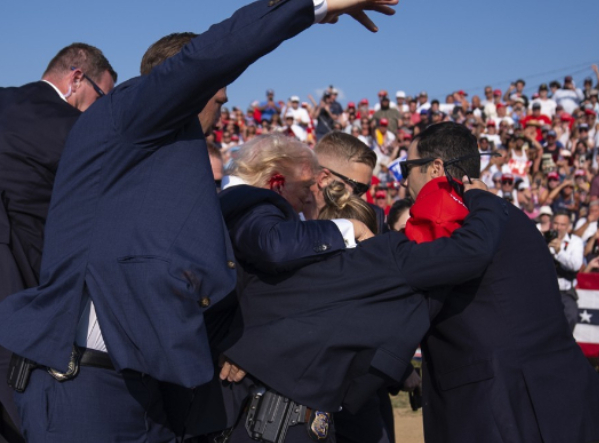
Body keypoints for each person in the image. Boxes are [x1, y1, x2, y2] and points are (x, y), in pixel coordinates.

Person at [0, 0, 400, 442]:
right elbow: (211, 57)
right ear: (186, 85)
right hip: (84, 386)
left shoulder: (156, 157)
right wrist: (312, 5)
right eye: (218, 98)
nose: (224, 109)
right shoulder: (127, 113)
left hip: (142, 389)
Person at [216, 163, 506, 443]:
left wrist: (238, 345)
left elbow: (345, 324)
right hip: (273, 418)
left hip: (280, 411)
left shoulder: (315, 260)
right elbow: (472, 250)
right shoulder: (396, 257)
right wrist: (484, 199)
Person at [400, 122, 599, 443]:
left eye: (408, 167)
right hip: (565, 403)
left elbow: (417, 302)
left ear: (436, 167)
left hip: (500, 411)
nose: (405, 178)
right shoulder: (506, 212)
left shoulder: (447, 215)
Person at [0, 43, 115, 428]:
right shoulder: (74, 127)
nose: (102, 108)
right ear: (76, 78)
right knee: (37, 416)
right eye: (102, 95)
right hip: (13, 284)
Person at [549, 212, 584, 332]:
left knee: (571, 317)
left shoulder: (576, 242)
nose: (558, 228)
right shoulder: (542, 238)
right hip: (545, 289)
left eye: (562, 225)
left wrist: (559, 252)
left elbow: (576, 265)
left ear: (568, 226)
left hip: (565, 291)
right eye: (556, 223)